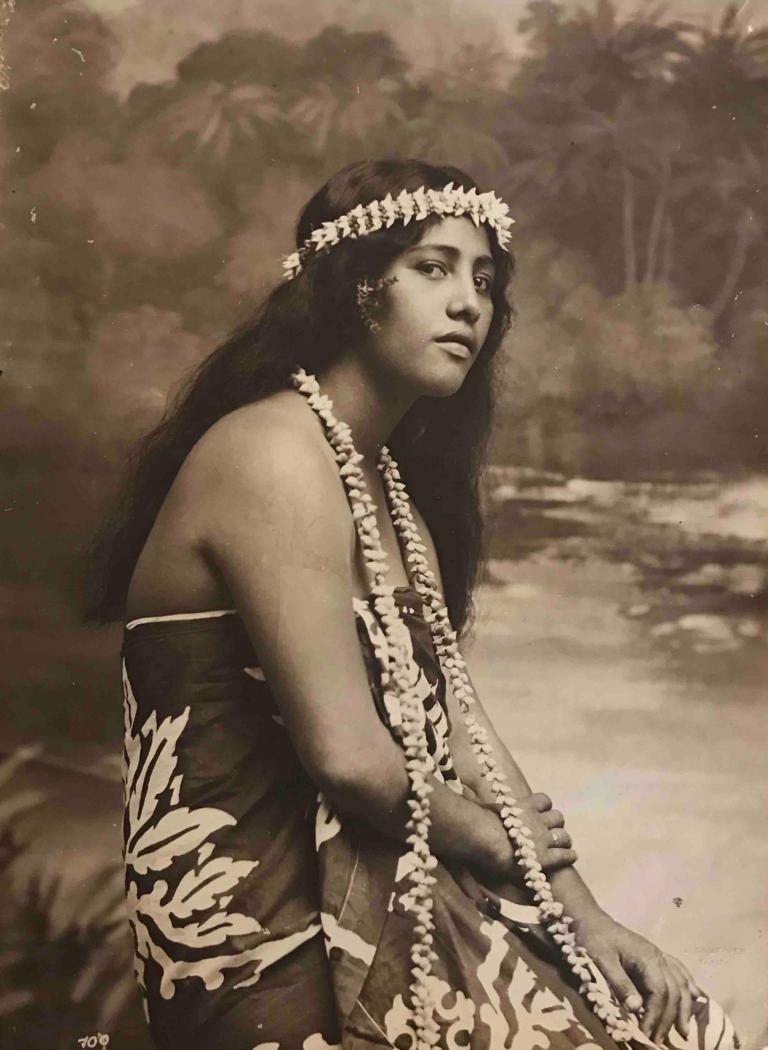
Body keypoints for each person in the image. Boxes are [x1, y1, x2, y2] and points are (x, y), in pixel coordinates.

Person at [86, 159, 737, 1050]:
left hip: (388, 890)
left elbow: (462, 731)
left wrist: (584, 915)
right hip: (251, 929)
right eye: (433, 269)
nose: (470, 303)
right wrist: (500, 851)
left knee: (677, 1026)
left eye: (483, 280)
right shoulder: (270, 454)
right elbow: (351, 762)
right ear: (358, 290)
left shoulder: (386, 495)